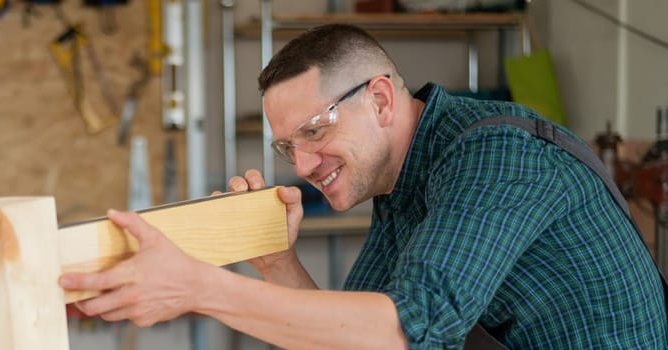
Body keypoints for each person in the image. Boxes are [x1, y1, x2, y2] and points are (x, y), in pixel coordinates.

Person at [57, 24, 668, 348]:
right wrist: (277, 263)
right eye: (287, 146)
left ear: (378, 98)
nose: (302, 164)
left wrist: (197, 289)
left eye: (314, 131)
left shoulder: (494, 155)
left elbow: (402, 331)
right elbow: (354, 342)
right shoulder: (401, 185)